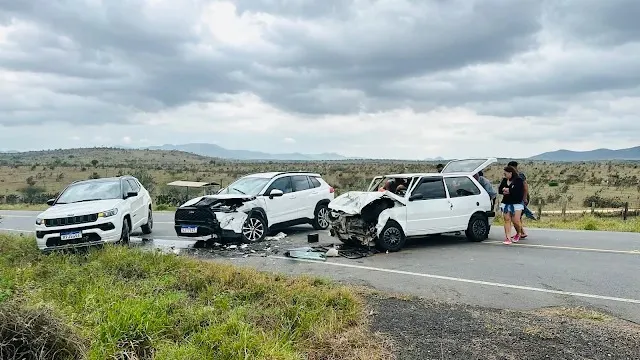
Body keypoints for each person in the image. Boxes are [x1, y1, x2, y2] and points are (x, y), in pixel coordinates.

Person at [498, 166, 525, 244]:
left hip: (516, 203)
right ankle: (508, 238)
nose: (504, 175)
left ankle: (519, 233)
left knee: (516, 220)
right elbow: (500, 190)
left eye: (505, 173)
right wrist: (508, 190)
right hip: (506, 202)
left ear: (510, 173)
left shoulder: (518, 180)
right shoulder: (504, 180)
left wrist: (508, 190)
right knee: (507, 220)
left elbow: (517, 192)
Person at [507, 161, 529, 238]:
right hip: (516, 198)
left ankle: (521, 232)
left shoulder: (520, 176)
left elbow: (525, 187)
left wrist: (525, 198)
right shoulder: (513, 176)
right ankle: (520, 232)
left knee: (515, 217)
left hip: (521, 198)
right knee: (517, 216)